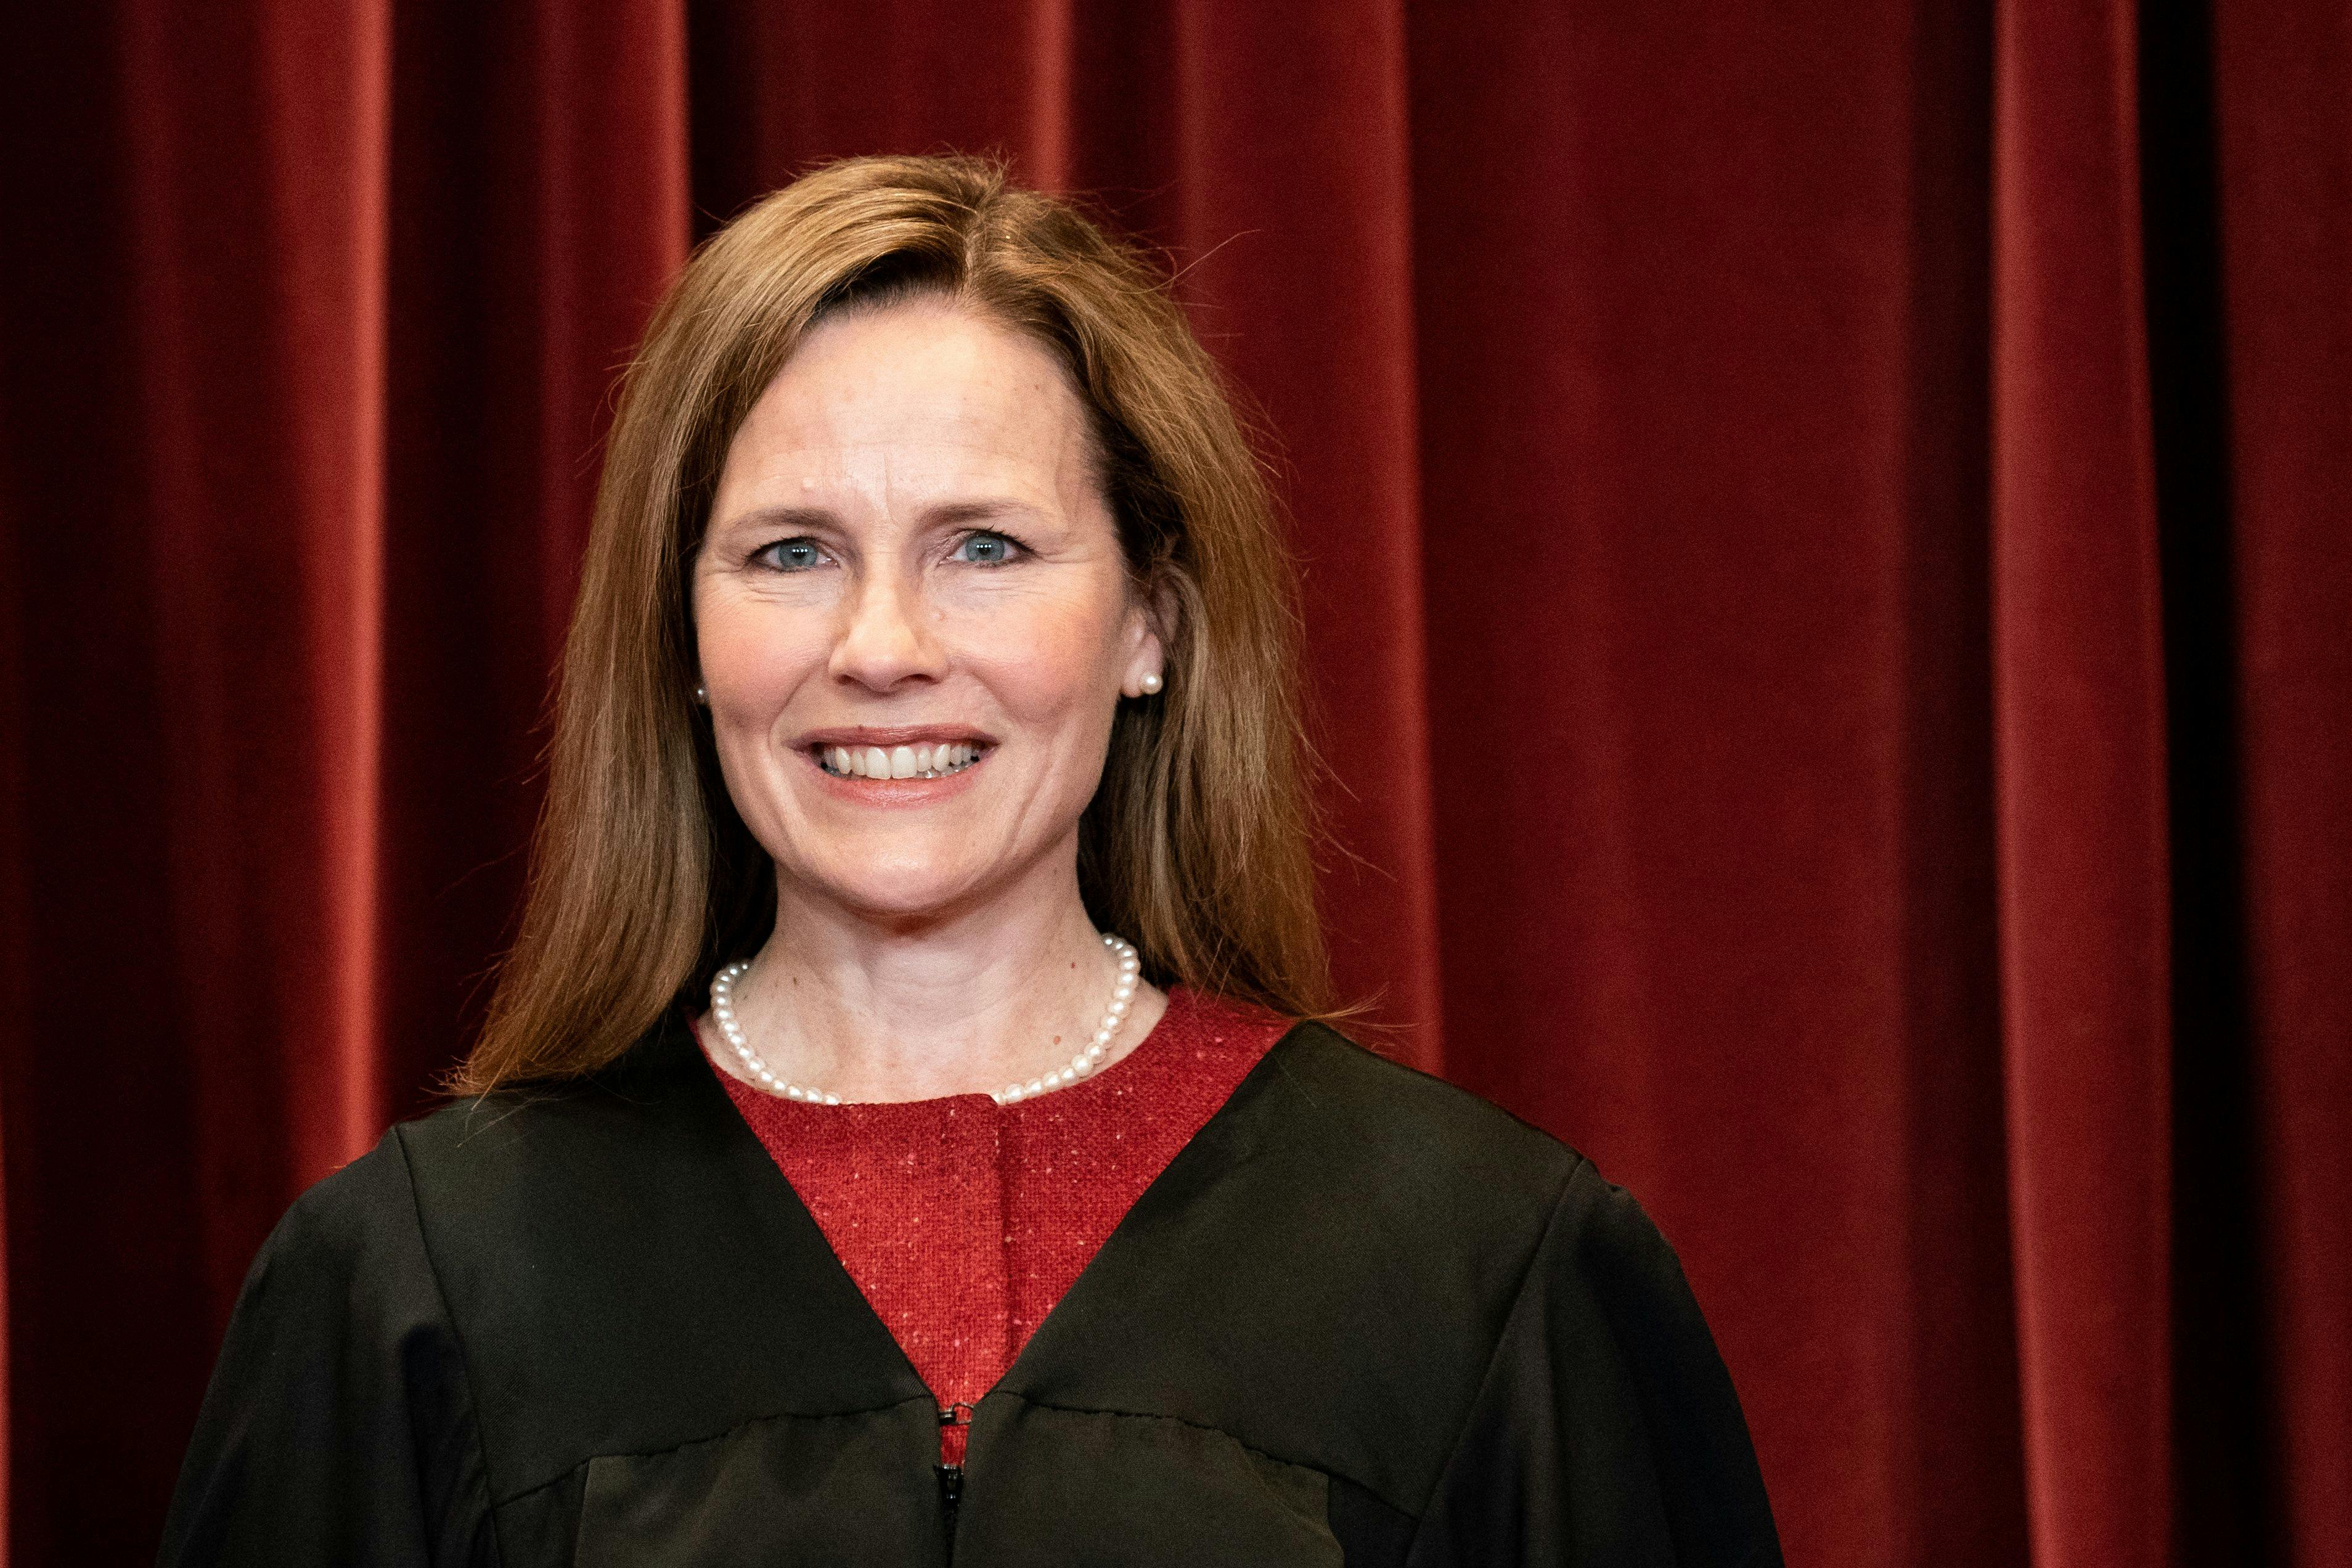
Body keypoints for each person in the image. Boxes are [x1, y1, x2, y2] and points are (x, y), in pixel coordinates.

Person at [159, 154, 1783, 1566]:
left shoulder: (1486, 1275)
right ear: (685, 633)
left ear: (1150, 619)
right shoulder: (412, 1292)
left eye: (985, 548)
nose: (883, 646)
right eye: (791, 552)